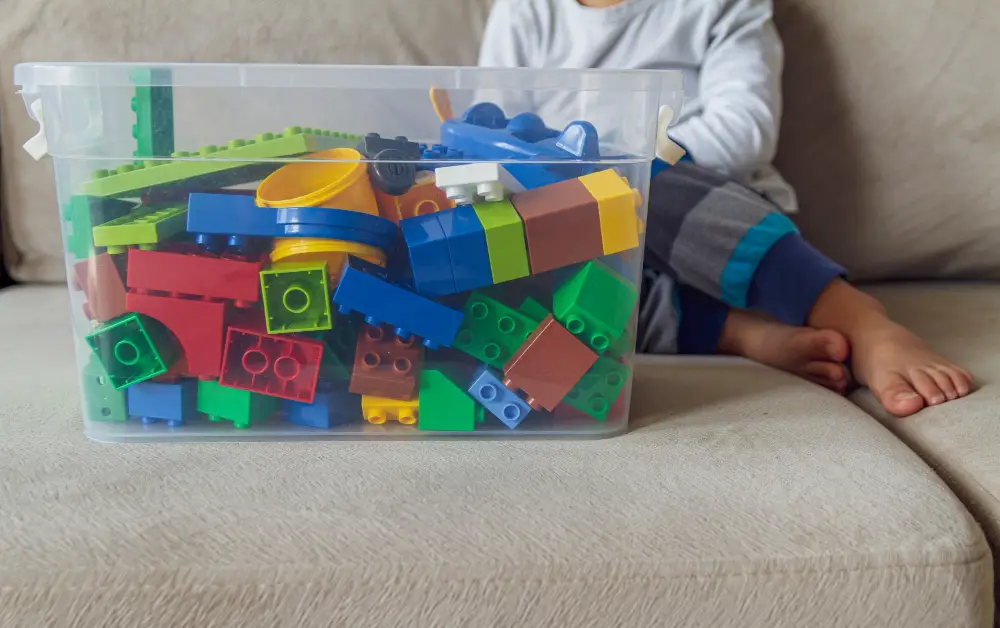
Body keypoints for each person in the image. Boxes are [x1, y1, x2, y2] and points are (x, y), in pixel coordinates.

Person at [478, 0, 973, 417]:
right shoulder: (525, 10)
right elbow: (490, 142)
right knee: (533, 275)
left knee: (638, 180)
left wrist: (616, 172)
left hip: (714, 220)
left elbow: (745, 131)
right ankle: (736, 333)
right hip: (596, 240)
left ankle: (856, 316)